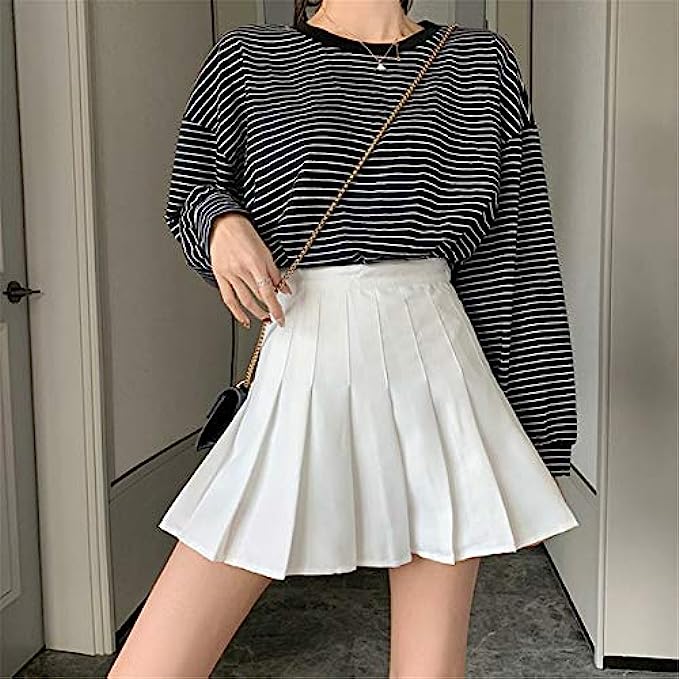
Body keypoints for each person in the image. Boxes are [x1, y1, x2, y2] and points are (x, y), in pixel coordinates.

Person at [108, 0, 580, 677]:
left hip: (439, 363)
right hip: (308, 351)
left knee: (430, 666)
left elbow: (517, 254)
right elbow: (192, 187)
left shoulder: (483, 63)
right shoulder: (249, 58)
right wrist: (220, 222)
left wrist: (540, 433)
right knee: (156, 662)